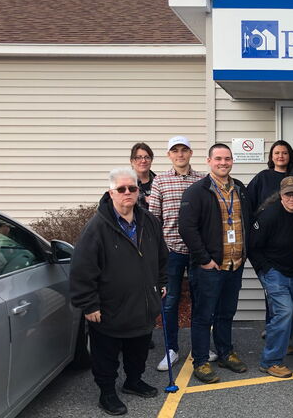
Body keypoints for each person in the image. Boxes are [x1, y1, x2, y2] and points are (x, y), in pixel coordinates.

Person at [70, 167, 167, 416]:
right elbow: (82, 269)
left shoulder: (150, 222)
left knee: (139, 349)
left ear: (138, 191)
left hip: (142, 304)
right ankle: (107, 392)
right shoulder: (96, 228)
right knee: (106, 356)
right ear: (110, 193)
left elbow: (161, 257)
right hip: (109, 308)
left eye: (132, 188)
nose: (127, 193)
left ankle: (133, 381)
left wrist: (162, 282)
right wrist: (89, 304)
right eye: (121, 189)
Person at [179, 143, 252, 384]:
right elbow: (187, 228)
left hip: (234, 264)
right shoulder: (197, 191)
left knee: (226, 313)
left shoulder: (240, 188)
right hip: (210, 267)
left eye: (227, 158)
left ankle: (225, 353)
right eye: (218, 158)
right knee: (203, 315)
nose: (223, 162)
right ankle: (200, 361)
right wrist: (204, 260)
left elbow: (247, 220)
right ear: (209, 161)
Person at [148, 136, 207, 371]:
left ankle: (201, 347)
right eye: (175, 151)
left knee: (200, 301)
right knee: (170, 302)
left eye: (184, 150)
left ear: (191, 153)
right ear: (169, 155)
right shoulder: (160, 181)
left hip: (197, 251)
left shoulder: (202, 179)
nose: (180, 154)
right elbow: (153, 219)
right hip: (171, 251)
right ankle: (171, 349)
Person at [249, 176, 293, 378]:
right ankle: (270, 361)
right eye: (287, 194)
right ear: (281, 195)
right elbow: (253, 247)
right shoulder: (269, 216)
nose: (292, 198)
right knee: (284, 312)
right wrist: (266, 270)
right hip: (274, 272)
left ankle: (279, 340)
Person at [247, 140, 293, 211]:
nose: (280, 156)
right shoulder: (262, 177)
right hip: (264, 220)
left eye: (285, 153)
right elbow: (249, 200)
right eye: (277, 153)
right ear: (272, 157)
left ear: (290, 156)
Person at [130, 142, 156, 209]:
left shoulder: (158, 182)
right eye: (139, 157)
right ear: (132, 161)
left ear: (151, 160)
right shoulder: (125, 183)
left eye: (147, 157)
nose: (143, 161)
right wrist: (144, 199)